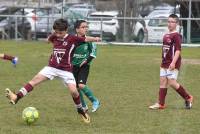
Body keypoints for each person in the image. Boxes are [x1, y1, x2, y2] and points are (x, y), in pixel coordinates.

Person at [5, 18, 101, 123]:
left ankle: (80, 110)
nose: (58, 35)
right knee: (34, 81)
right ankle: (16, 97)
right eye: (56, 32)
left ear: (66, 30)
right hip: (51, 67)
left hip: (66, 70)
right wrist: (52, 37)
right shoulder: (54, 35)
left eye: (60, 33)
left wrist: (96, 39)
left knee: (74, 91)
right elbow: (48, 40)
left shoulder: (72, 38)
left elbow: (86, 39)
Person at [149, 14, 193, 110]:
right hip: (164, 62)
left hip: (172, 62)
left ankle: (188, 97)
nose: (169, 24)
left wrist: (173, 63)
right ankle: (161, 104)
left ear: (176, 23)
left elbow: (178, 50)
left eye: (172, 22)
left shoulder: (176, 36)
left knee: (172, 82)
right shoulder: (166, 35)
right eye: (168, 21)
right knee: (163, 82)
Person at [72, 20, 100, 113]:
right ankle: (83, 106)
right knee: (75, 89)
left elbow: (93, 53)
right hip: (73, 67)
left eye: (86, 27)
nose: (86, 29)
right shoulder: (72, 40)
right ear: (77, 29)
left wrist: (86, 61)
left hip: (84, 66)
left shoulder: (89, 40)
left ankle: (95, 101)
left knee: (81, 85)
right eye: (83, 27)